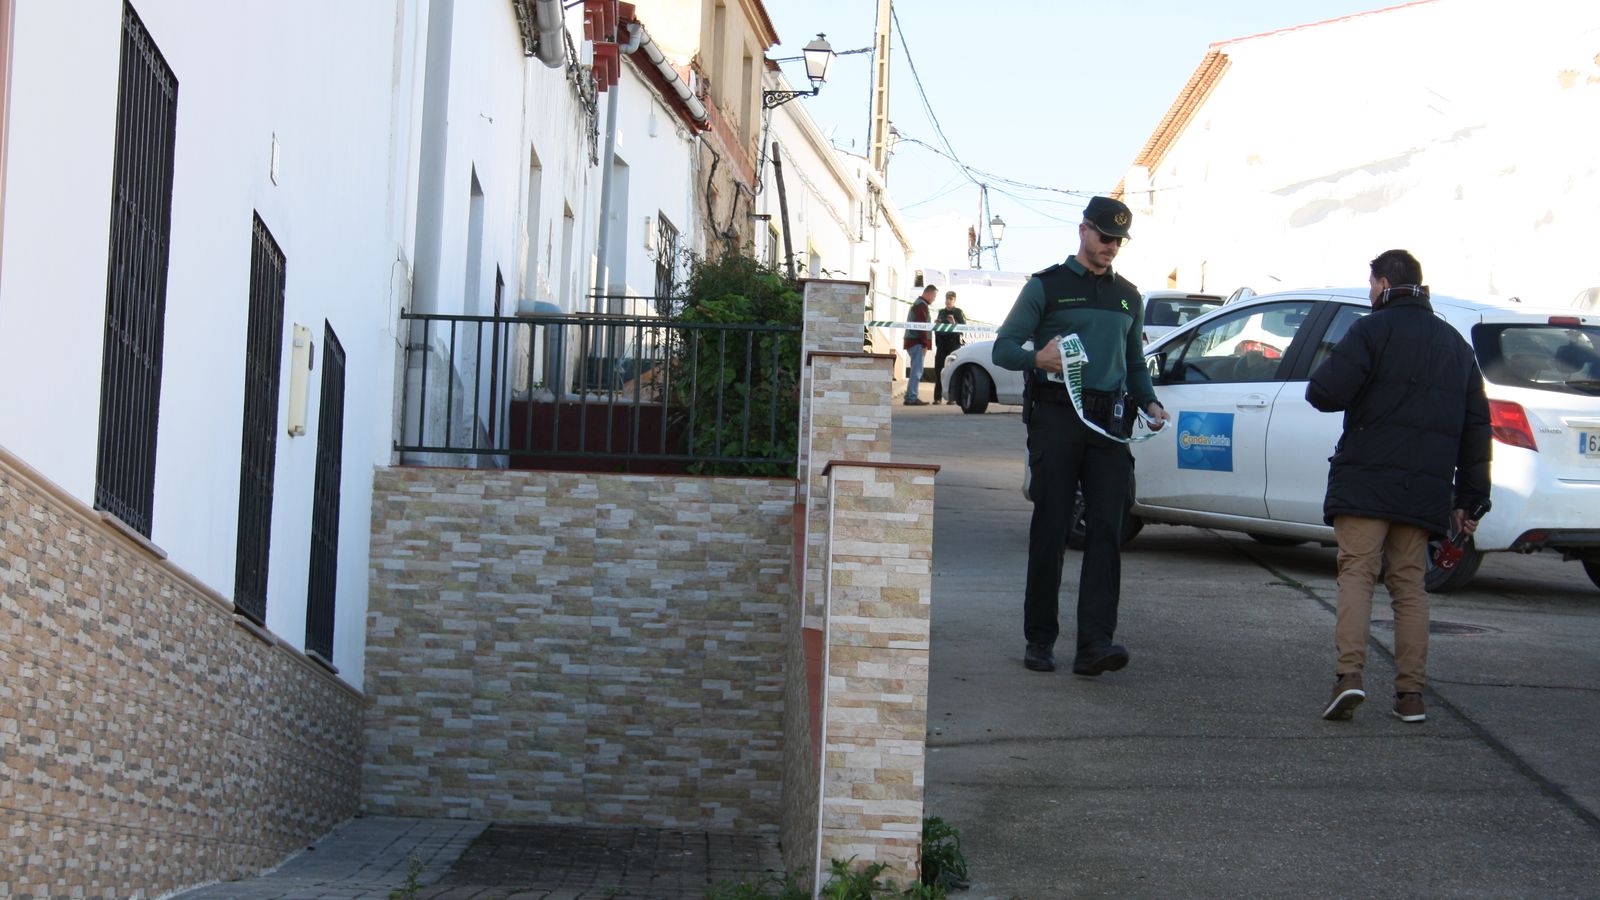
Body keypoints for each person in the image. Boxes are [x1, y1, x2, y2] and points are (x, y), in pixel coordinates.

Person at [1306, 249, 1492, 723]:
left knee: (1357, 574)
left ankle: (1349, 678)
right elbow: (1476, 426)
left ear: (1384, 284)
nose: (1369, 295)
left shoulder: (1370, 330)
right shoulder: (1455, 345)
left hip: (1366, 479)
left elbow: (1322, 392)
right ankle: (1410, 696)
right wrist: (1471, 497)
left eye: (1371, 286)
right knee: (1410, 587)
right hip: (1424, 488)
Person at [993, 196, 1171, 676]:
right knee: (1051, 525)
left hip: (1110, 424)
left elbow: (1134, 363)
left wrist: (1150, 401)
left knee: (1108, 530)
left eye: (1118, 240)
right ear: (1083, 231)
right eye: (1104, 236)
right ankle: (1040, 639)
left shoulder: (1128, 296)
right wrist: (1038, 359)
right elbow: (1005, 348)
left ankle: (1095, 643)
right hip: (1056, 417)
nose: (1111, 246)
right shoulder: (1046, 287)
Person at [932, 291, 968, 404]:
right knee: (938, 370)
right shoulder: (941, 312)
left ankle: (952, 398)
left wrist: (953, 323)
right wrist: (937, 324)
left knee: (952, 370)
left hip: (953, 344)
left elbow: (963, 329)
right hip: (942, 344)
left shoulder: (958, 312)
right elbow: (937, 328)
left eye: (951, 299)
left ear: (954, 301)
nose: (948, 301)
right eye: (947, 299)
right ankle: (937, 398)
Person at [904, 285, 936, 405]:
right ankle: (912, 397)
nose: (934, 299)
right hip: (917, 342)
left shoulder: (918, 304)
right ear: (928, 293)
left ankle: (910, 396)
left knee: (915, 370)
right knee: (917, 371)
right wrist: (925, 344)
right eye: (934, 296)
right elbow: (922, 327)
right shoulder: (921, 305)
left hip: (913, 341)